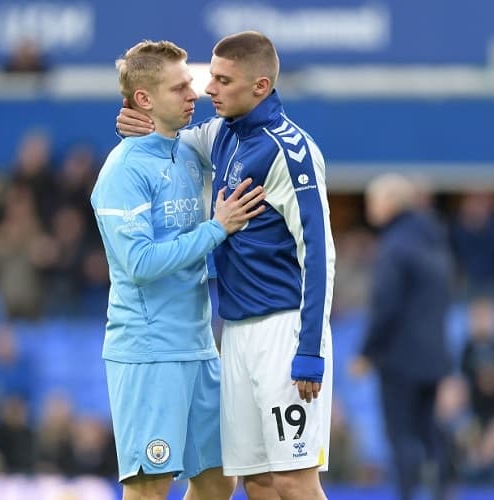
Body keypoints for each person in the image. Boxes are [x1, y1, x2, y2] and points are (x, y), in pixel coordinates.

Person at [118, 31, 335, 500]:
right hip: (234, 333)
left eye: (221, 79)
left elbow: (319, 252)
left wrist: (311, 348)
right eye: (206, 77)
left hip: (284, 330)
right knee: (256, 479)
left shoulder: (290, 150)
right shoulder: (219, 134)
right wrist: (140, 121)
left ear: (260, 86)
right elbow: (168, 135)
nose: (207, 89)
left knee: (294, 479)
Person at [92, 40, 266, 500]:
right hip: (149, 352)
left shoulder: (189, 150)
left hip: (198, 345)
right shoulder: (122, 171)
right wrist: (217, 229)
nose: (195, 93)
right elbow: (140, 263)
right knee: (150, 488)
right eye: (180, 87)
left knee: (216, 480)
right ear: (144, 99)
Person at [351, 173, 453, 500]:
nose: (370, 208)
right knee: (429, 432)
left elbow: (386, 305)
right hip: (433, 356)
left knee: (402, 436)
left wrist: (367, 352)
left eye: (374, 201)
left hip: (399, 358)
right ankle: (441, 492)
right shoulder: (434, 239)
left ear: (391, 203)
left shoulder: (395, 244)